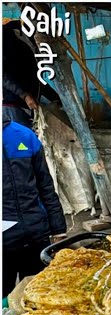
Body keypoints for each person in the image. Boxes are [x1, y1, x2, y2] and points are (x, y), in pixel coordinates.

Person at [3, 118, 65, 295]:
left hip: (36, 234)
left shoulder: (25, 136)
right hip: (4, 243)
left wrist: (59, 231)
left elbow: (45, 187)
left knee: (38, 296)